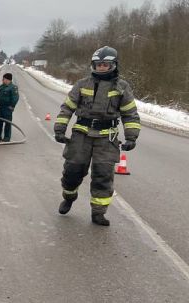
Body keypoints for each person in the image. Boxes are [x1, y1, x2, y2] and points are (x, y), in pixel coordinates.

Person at [53, 46, 140, 226]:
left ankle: (98, 213)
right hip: (81, 135)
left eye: (105, 65)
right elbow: (67, 107)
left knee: (103, 176)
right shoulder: (82, 84)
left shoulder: (122, 87)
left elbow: (130, 114)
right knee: (72, 171)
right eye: (98, 64)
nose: (101, 67)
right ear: (93, 65)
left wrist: (132, 137)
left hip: (107, 138)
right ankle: (68, 197)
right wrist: (60, 129)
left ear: (113, 65)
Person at [0, 72, 19, 141]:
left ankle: (7, 137)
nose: (3, 80)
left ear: (9, 80)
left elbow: (15, 98)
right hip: (1, 107)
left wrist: (12, 106)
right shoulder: (2, 86)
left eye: (4, 79)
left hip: (7, 108)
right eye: (3, 79)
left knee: (7, 123)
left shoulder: (13, 87)